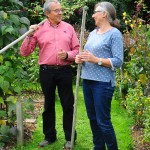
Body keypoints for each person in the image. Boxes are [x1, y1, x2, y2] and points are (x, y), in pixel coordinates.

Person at [20, 0, 79, 149]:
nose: (60, 13)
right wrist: (29, 35)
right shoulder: (38, 29)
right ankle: (49, 136)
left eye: (61, 10)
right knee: (48, 105)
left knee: (67, 105)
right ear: (47, 13)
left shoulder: (68, 28)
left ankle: (70, 138)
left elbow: (77, 50)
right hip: (46, 72)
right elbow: (25, 52)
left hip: (64, 71)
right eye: (56, 10)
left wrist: (67, 55)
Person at [75, 1, 123, 150]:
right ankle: (98, 147)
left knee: (103, 121)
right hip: (88, 81)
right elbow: (88, 55)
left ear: (104, 14)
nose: (93, 15)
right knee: (93, 119)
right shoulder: (93, 33)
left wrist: (97, 60)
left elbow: (118, 61)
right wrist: (80, 59)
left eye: (96, 12)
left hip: (103, 83)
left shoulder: (114, 34)